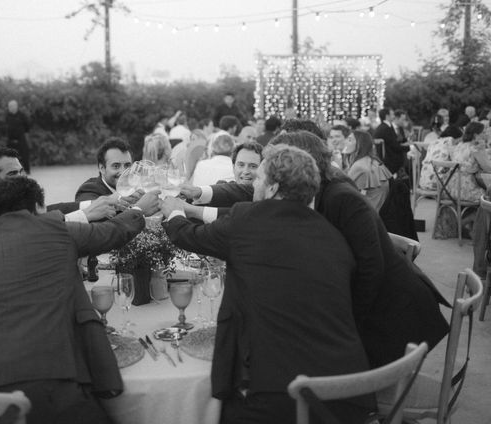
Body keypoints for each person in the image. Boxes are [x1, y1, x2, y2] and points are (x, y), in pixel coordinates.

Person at [181, 125, 449, 368]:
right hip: (376, 307)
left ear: (300, 161)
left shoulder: (341, 196)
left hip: (393, 317)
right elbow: (251, 197)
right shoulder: (314, 188)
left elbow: (371, 269)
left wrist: (345, 325)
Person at [162, 145, 374, 424]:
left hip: (280, 399)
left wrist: (174, 212)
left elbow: (189, 236)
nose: (253, 184)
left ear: (272, 188)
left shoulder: (248, 219)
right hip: (350, 394)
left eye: (259, 177)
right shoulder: (331, 234)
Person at [0, 177, 160, 424]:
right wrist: (139, 210)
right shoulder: (53, 230)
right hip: (43, 396)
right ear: (37, 209)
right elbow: (111, 232)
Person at [0, 146, 114, 230]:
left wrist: (95, 203)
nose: (22, 178)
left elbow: (47, 211)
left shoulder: (5, 201)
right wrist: (86, 214)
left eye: (22, 171)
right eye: (12, 174)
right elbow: (32, 230)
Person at [75, 137, 142, 281]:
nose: (123, 172)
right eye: (116, 166)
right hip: (105, 272)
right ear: (101, 168)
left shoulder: (138, 188)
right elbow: (92, 227)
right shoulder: (89, 189)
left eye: (127, 166)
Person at [343, 130, 392, 211]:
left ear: (360, 144)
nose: (345, 142)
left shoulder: (359, 165)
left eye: (350, 140)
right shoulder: (373, 161)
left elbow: (344, 189)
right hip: (379, 210)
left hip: (367, 212)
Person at [447, 121, 491, 202]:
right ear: (475, 135)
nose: (486, 134)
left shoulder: (459, 145)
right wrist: (483, 150)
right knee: (488, 195)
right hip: (465, 190)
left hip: (450, 188)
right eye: (483, 132)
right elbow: (488, 168)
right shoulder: (475, 148)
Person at [374, 107, 410, 175]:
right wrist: (410, 147)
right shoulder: (386, 128)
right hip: (388, 163)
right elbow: (394, 146)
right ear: (387, 116)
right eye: (392, 115)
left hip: (386, 160)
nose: (394, 117)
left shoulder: (382, 127)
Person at [6, 99, 31, 174]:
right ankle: (11, 171)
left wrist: (24, 132)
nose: (12, 108)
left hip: (21, 138)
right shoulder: (7, 116)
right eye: (10, 106)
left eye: (13, 106)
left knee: (25, 155)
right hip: (10, 139)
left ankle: (27, 170)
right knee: (9, 156)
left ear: (16, 106)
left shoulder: (22, 115)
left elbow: (27, 125)